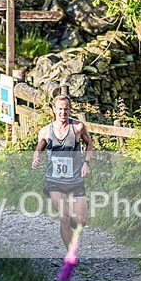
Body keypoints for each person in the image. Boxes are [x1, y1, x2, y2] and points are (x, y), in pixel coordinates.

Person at [31, 94, 94, 248]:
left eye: (66, 109)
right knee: (64, 217)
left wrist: (86, 163)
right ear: (54, 109)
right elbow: (38, 149)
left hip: (75, 180)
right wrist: (36, 158)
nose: (63, 113)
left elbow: (90, 145)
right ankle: (71, 253)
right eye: (60, 109)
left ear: (70, 109)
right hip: (55, 181)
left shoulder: (78, 127)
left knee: (81, 221)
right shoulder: (45, 131)